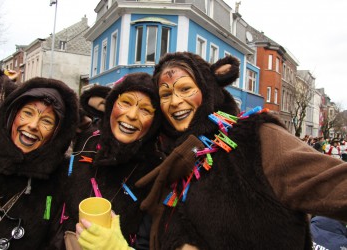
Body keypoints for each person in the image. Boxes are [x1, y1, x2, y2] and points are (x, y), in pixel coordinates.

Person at [135, 51, 347, 250]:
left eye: (185, 89)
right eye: (165, 94)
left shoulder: (254, 137)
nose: (175, 101)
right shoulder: (170, 158)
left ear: (208, 89)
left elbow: (333, 185)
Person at [0, 77, 79, 249]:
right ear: (12, 115)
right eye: (27, 113)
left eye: (47, 121)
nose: (33, 125)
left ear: (57, 132)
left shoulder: (62, 177)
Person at [65, 73, 165, 250]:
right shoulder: (87, 139)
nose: (132, 115)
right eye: (125, 102)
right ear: (111, 105)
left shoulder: (157, 169)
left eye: (145, 110)